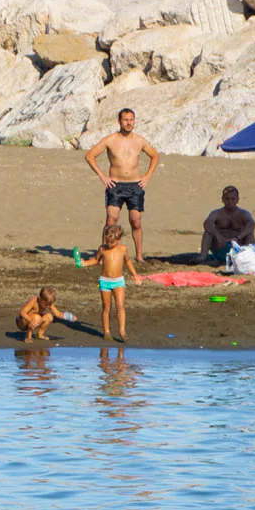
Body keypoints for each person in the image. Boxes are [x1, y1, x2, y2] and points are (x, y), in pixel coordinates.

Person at [86, 107, 160, 264]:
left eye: (131, 120)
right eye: (126, 120)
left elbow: (154, 156)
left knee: (136, 221)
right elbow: (90, 155)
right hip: (115, 185)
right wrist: (103, 176)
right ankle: (104, 255)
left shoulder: (139, 141)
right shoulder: (110, 140)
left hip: (135, 185)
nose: (129, 123)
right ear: (119, 121)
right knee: (111, 220)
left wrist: (147, 176)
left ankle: (139, 256)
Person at [93, 222, 136, 343]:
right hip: (105, 281)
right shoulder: (102, 249)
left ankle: (122, 330)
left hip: (118, 281)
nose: (109, 244)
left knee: (120, 305)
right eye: (107, 241)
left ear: (119, 239)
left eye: (112, 242)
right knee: (106, 307)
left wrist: (134, 274)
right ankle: (106, 331)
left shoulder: (123, 249)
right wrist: (83, 263)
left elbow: (127, 262)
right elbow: (96, 260)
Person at [203, 186, 255, 266]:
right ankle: (203, 256)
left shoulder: (243, 213)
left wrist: (237, 238)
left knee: (250, 234)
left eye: (233, 199)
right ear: (222, 199)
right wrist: (219, 237)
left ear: (237, 200)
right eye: (227, 199)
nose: (230, 201)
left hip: (238, 249)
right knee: (208, 233)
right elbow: (207, 223)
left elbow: (252, 224)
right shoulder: (217, 213)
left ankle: (248, 258)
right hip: (221, 247)